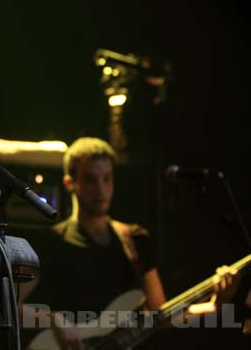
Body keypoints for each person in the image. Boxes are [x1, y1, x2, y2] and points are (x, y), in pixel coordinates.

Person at [20, 137, 238, 350]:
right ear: (70, 183)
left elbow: (158, 315)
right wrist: (52, 320)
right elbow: (6, 307)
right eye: (90, 179)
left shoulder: (134, 238)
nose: (101, 189)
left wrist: (214, 306)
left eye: (107, 179)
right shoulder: (49, 242)